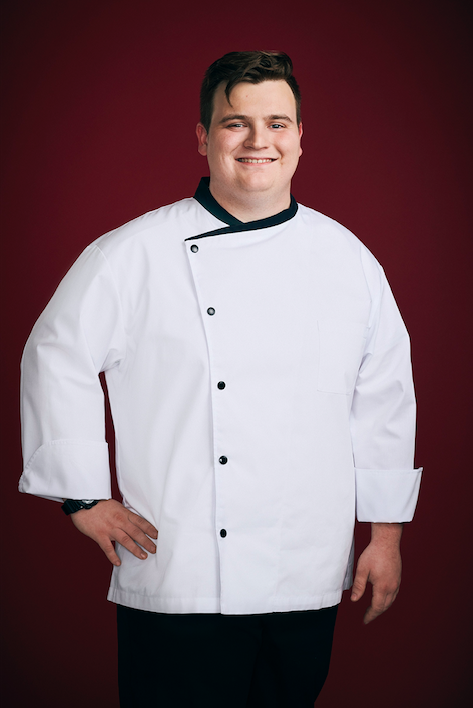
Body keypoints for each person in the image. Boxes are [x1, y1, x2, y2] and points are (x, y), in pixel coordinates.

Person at [19, 51, 422, 707]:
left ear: (299, 137)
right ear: (204, 138)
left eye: (277, 123)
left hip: (304, 570)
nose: (259, 141)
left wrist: (385, 537)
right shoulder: (131, 253)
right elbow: (54, 355)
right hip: (182, 575)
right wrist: (82, 497)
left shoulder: (348, 260)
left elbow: (384, 400)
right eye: (236, 123)